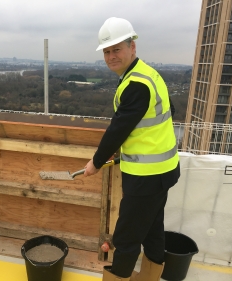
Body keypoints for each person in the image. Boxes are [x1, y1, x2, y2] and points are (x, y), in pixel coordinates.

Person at [84, 17, 180, 281]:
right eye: (107, 51)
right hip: (164, 170)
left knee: (126, 236)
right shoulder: (147, 73)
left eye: (116, 49)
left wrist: (96, 162)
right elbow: (168, 112)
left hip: (146, 176)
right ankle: (149, 277)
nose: (111, 56)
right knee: (152, 229)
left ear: (132, 47)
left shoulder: (135, 84)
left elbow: (118, 129)